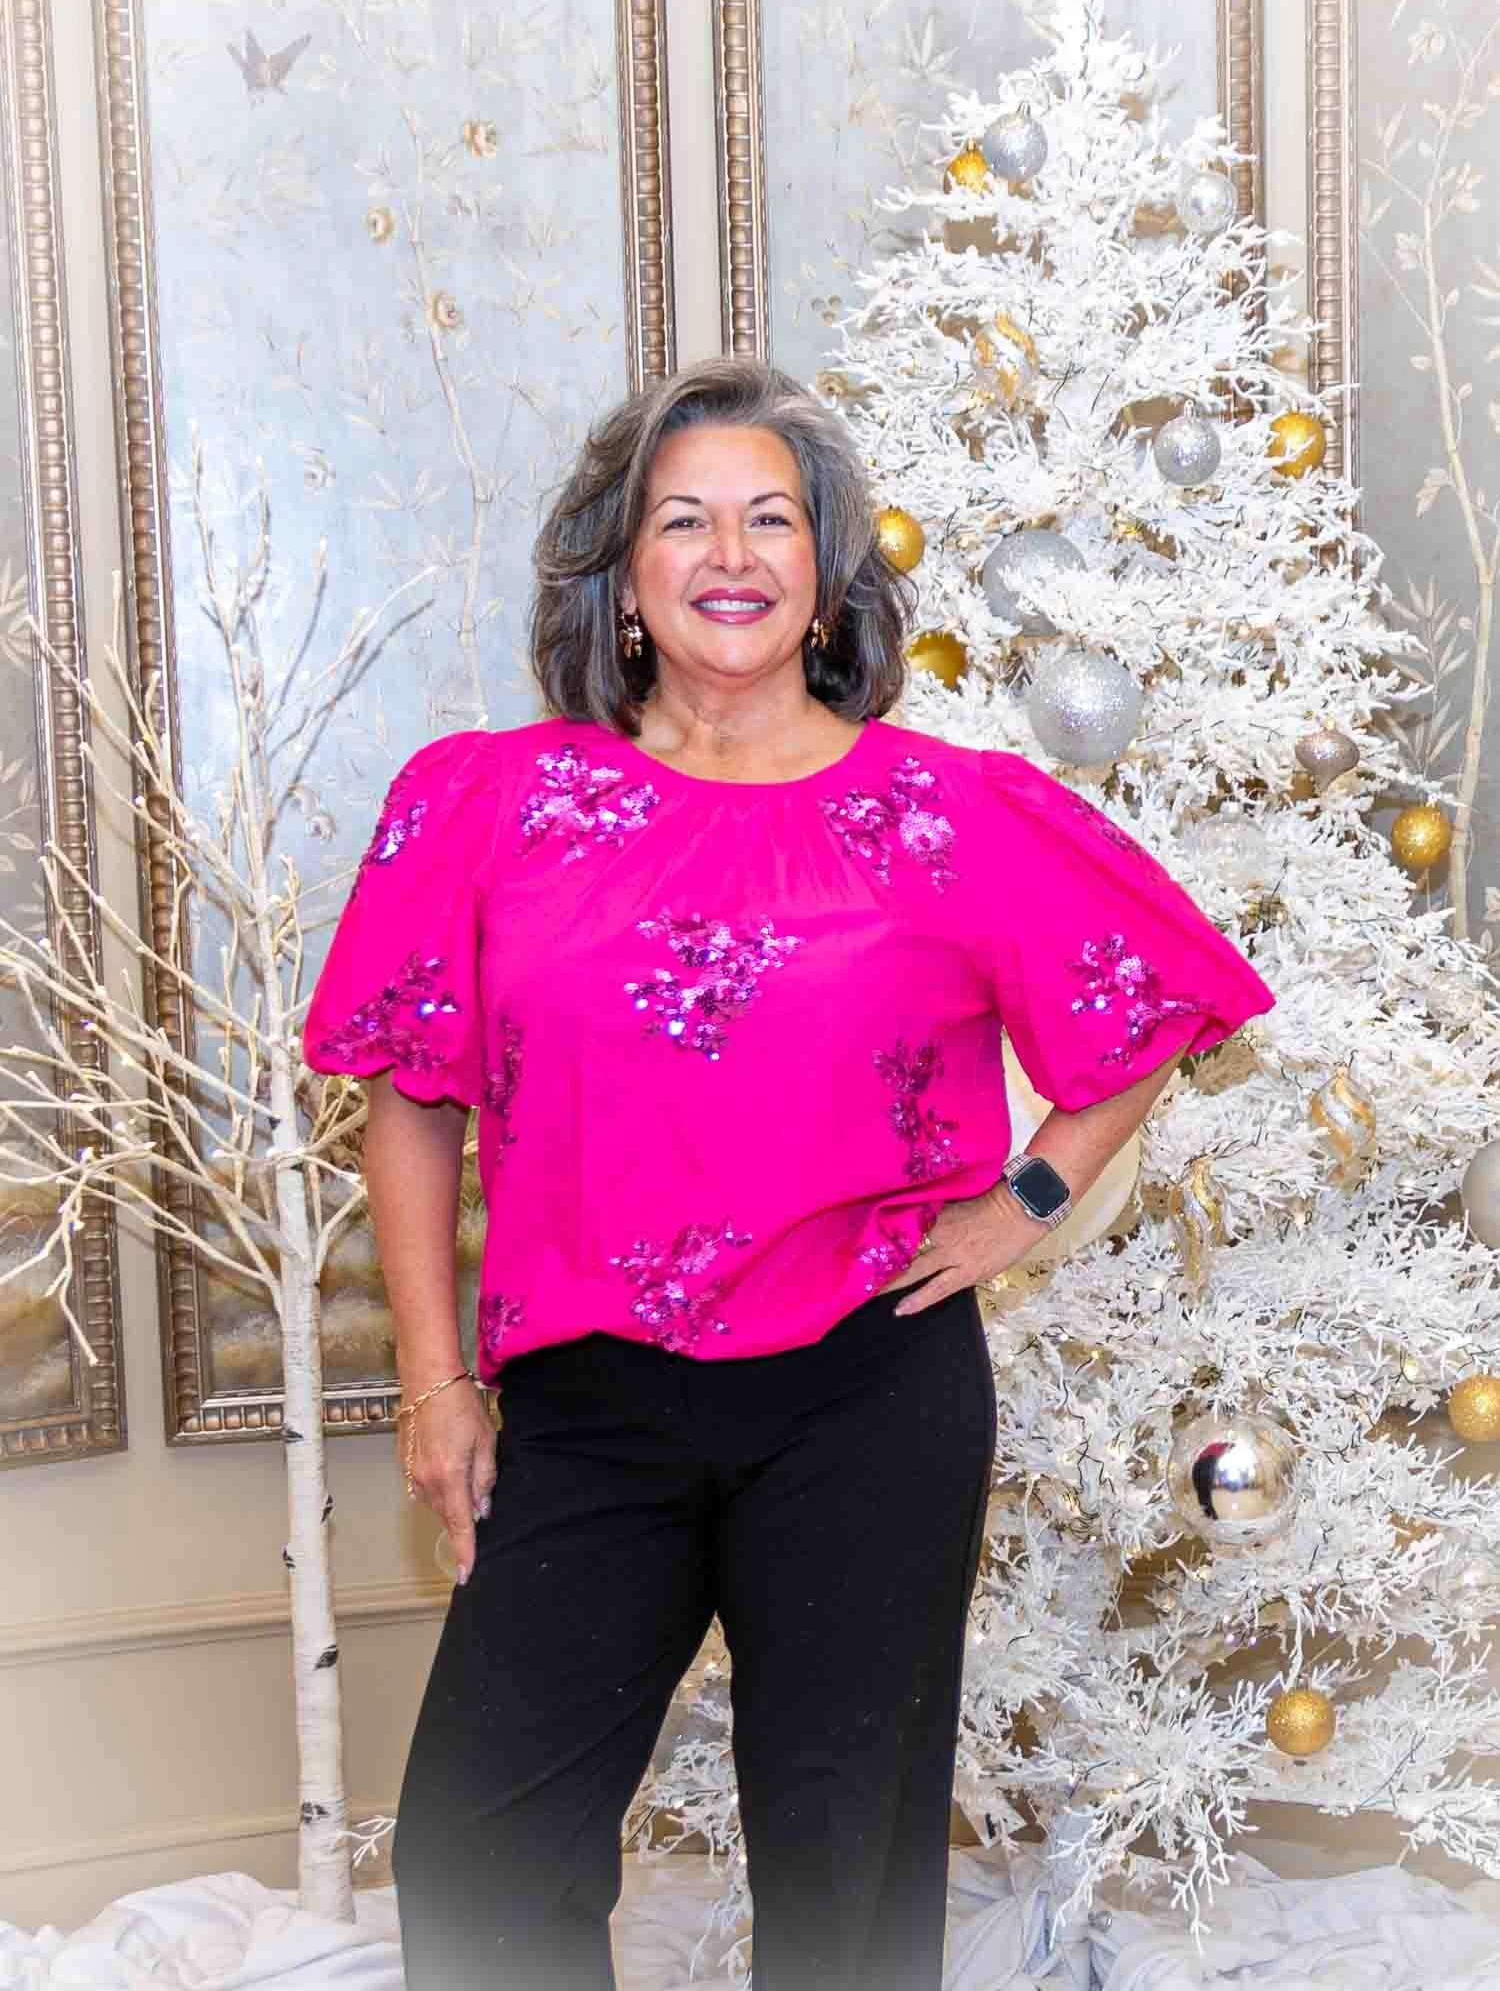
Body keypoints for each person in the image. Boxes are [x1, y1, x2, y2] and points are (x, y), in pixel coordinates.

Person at [302, 357, 1274, 1990]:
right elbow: (412, 1090)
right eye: (683, 520)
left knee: (846, 1871)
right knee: (480, 1850)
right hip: (585, 1397)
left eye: (770, 517)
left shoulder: (947, 812)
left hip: (866, 1394)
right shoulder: (496, 804)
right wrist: (429, 1378)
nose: (729, 552)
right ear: (625, 576)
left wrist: (1020, 1206)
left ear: (824, 573)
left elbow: (1158, 1001)